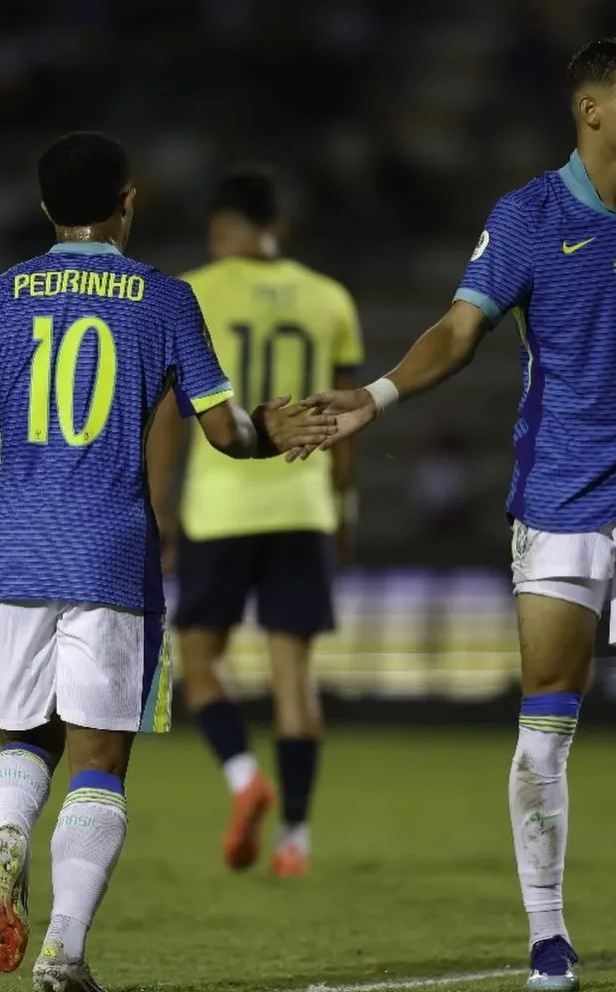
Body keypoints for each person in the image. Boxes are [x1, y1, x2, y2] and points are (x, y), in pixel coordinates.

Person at [292, 37, 616, 992]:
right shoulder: (528, 217)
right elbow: (459, 329)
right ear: (590, 112)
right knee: (550, 708)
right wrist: (374, 396)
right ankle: (547, 932)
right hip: (562, 490)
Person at [0, 132, 335, 992]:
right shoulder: (164, 300)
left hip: (15, 548)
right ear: (128, 201)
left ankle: (5, 835)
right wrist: (266, 430)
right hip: (110, 550)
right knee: (98, 763)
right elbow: (224, 432)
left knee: (25, 739)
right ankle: (63, 947)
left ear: (43, 210)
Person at [147, 165, 363, 877]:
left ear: (220, 229)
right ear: (282, 227)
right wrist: (341, 503)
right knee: (292, 677)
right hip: (302, 506)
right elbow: (341, 419)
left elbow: (170, 422)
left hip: (221, 505)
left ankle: (245, 778)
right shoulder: (330, 297)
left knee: (200, 664)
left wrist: (161, 507)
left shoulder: (191, 292)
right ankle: (295, 840)